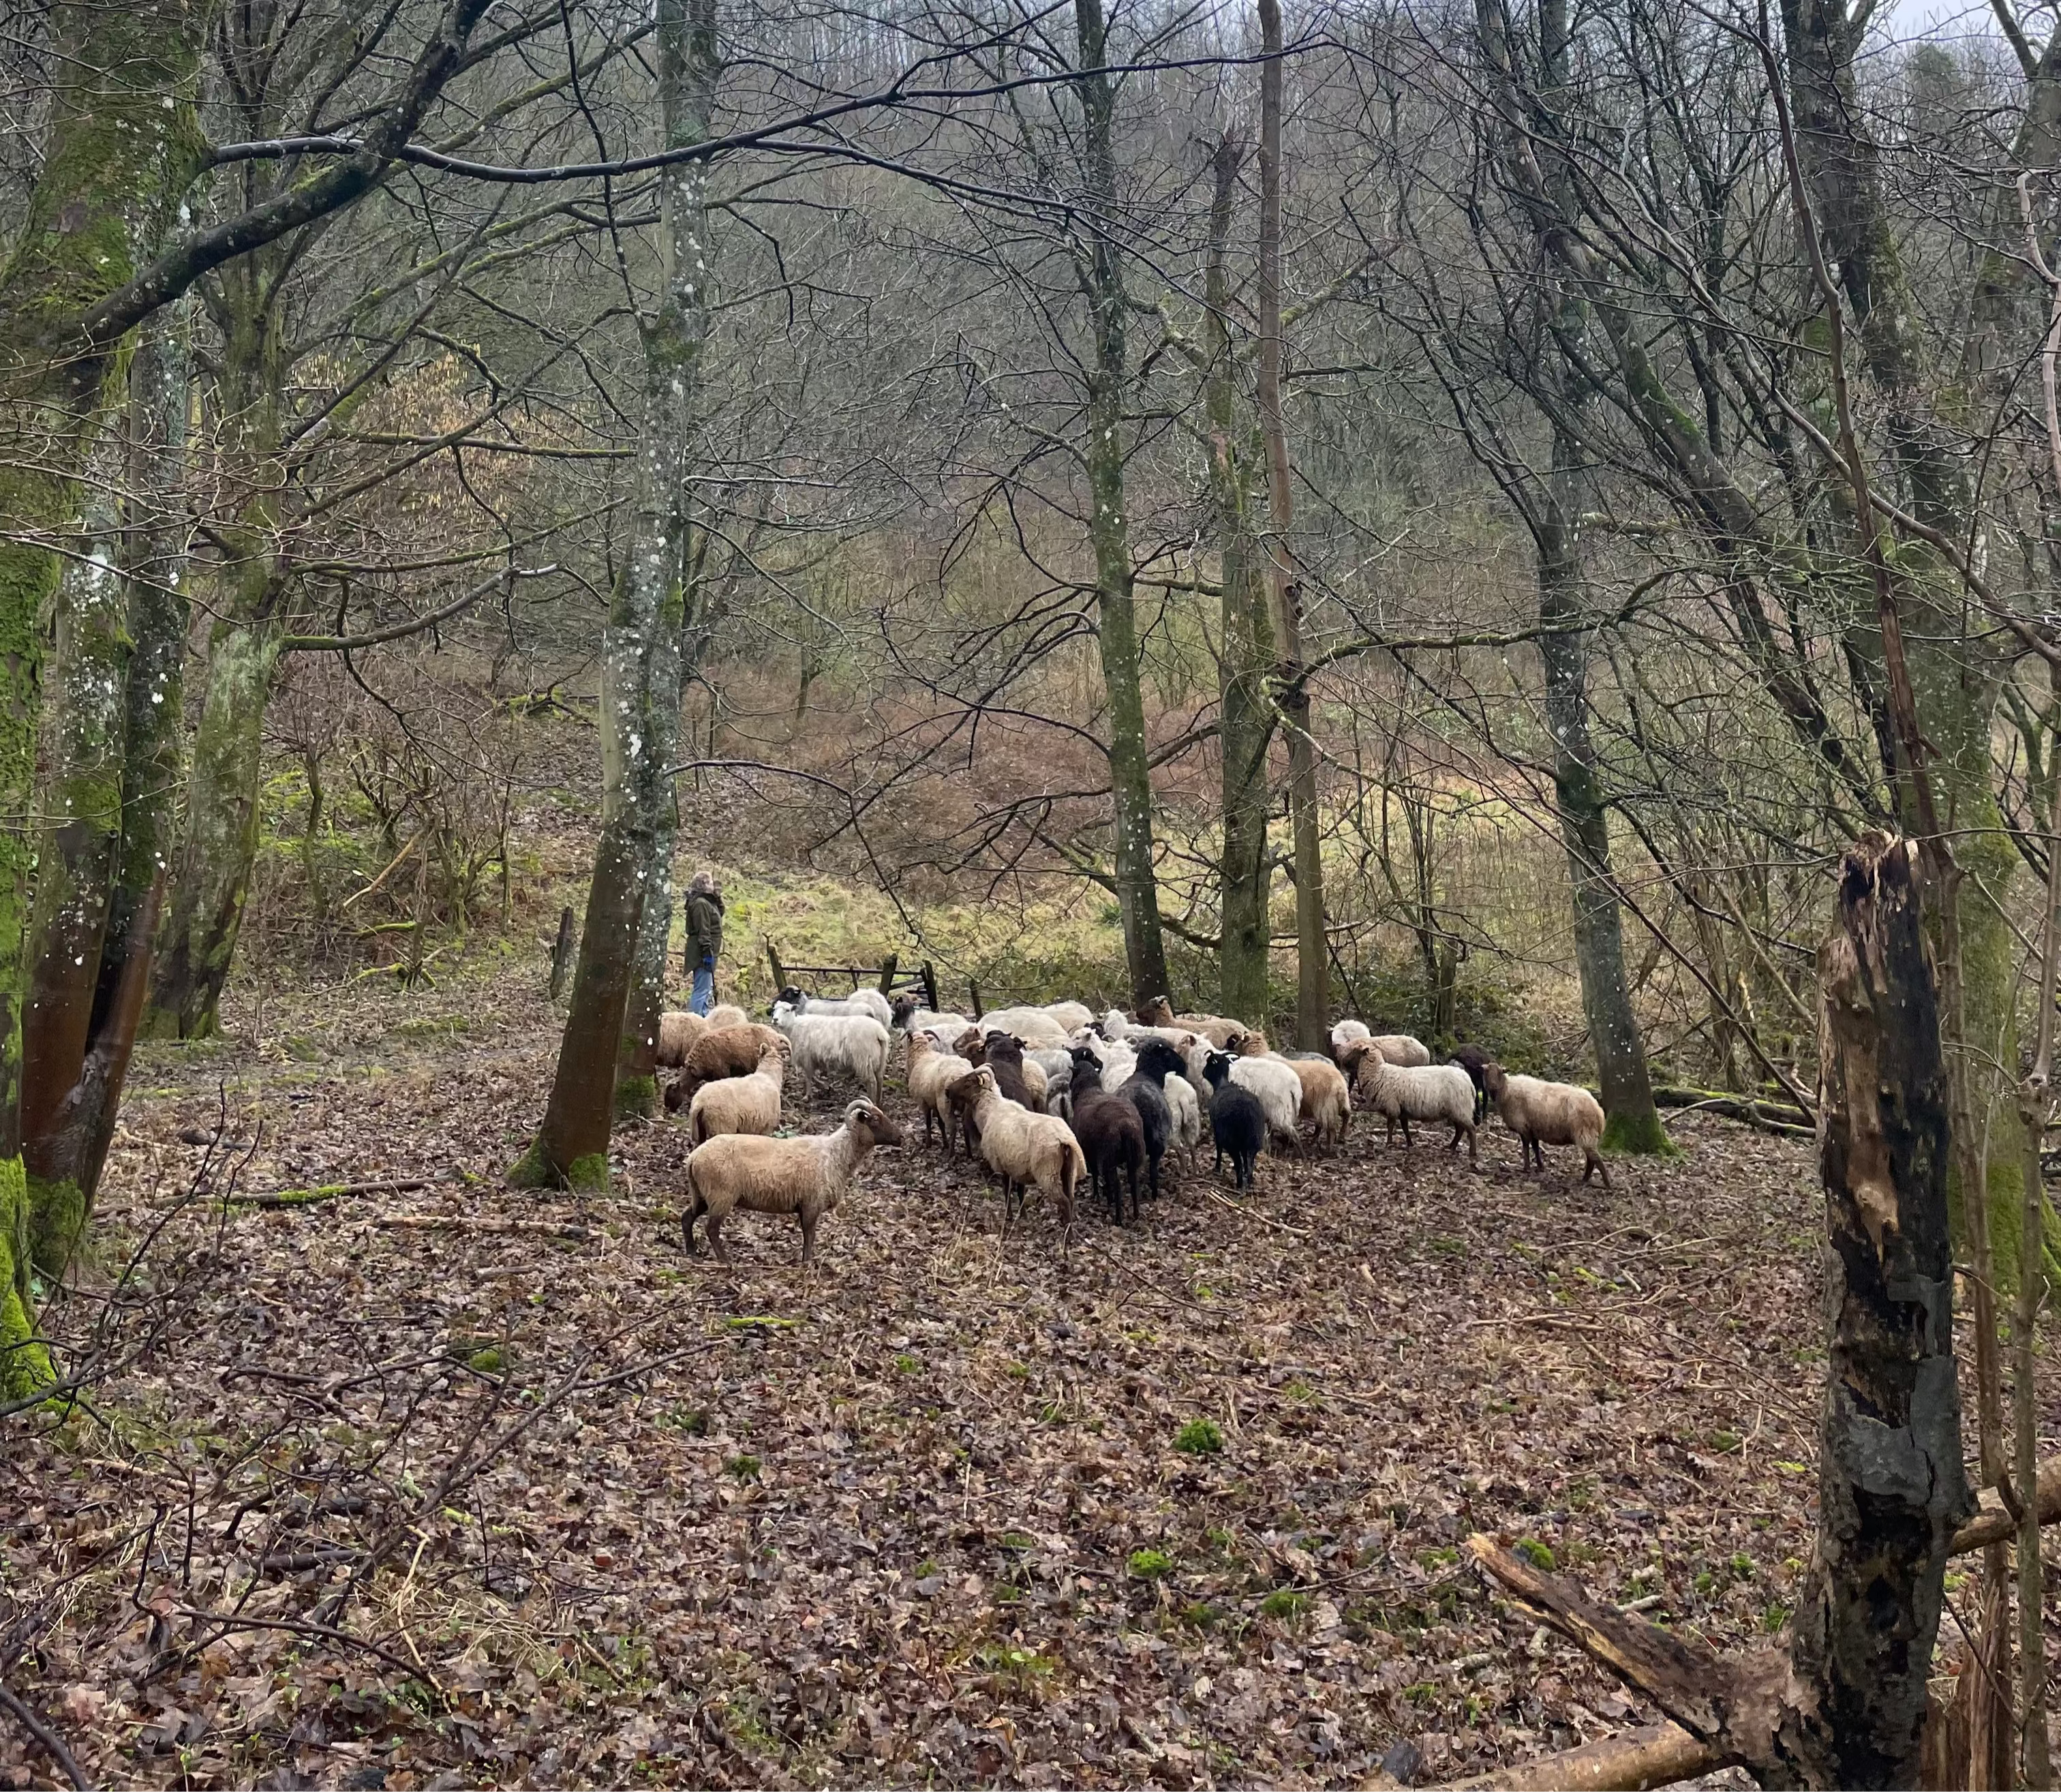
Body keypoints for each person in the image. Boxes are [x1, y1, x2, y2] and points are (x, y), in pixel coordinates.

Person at [684, 869, 724, 1016]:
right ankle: (694, 1020)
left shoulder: (707, 902)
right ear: (704, 884)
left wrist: (718, 898)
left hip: (708, 950)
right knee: (701, 990)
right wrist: (707, 951)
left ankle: (704, 1017)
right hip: (702, 952)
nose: (714, 885)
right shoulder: (700, 904)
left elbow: (720, 913)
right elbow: (703, 930)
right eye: (711, 882)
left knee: (707, 988)